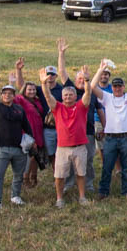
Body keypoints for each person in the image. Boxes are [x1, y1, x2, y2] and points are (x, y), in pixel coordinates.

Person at [45, 65, 96, 207]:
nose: (68, 97)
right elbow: (48, 96)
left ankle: (82, 197)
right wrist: (44, 83)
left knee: (81, 174)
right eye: (65, 95)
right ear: (62, 97)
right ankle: (59, 198)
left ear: (75, 96)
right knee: (59, 175)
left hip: (80, 146)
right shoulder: (57, 108)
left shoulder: (81, 107)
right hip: (62, 148)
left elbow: (88, 94)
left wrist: (87, 80)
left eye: (70, 95)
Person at [0, 63, 31, 212]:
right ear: (1, 95)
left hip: (19, 149)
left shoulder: (19, 109)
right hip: (2, 149)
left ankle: (15, 196)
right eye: (5, 93)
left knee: (18, 175)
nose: (7, 95)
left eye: (10, 93)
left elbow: (26, 126)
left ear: (14, 95)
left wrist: (31, 140)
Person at [96, 59, 127, 198]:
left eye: (119, 86)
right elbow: (92, 87)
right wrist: (100, 70)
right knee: (107, 167)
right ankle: (103, 191)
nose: (117, 89)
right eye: (115, 86)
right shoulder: (107, 98)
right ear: (112, 88)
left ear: (123, 87)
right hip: (110, 138)